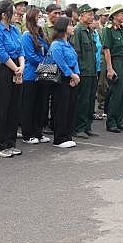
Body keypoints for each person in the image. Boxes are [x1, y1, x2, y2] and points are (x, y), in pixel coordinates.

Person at [0, 0, 24, 158]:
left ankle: (11, 142)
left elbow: (21, 49)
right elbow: (0, 53)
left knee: (14, 107)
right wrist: (15, 68)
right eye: (13, 12)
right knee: (2, 107)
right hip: (3, 69)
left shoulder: (15, 30)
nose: (17, 15)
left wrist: (21, 66)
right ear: (4, 15)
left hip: (17, 67)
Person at [20, 7, 50, 144]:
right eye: (39, 17)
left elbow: (47, 52)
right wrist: (45, 63)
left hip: (42, 75)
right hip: (31, 75)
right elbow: (30, 56)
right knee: (29, 106)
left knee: (41, 105)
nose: (42, 19)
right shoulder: (27, 36)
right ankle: (28, 133)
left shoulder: (41, 36)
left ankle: (38, 131)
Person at [48, 17, 79, 148]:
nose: (73, 27)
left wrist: (76, 74)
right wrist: (71, 74)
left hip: (71, 78)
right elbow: (60, 62)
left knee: (70, 107)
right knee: (60, 107)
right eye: (70, 25)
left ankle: (67, 134)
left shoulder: (69, 44)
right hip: (61, 79)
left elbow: (75, 60)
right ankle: (59, 138)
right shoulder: (56, 44)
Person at [101, 4, 123, 133]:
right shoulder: (108, 29)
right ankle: (112, 121)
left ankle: (120, 119)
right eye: (121, 14)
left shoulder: (122, 30)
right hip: (116, 62)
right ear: (114, 16)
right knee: (116, 93)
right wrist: (110, 68)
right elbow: (106, 50)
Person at [71, 5, 100, 137]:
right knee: (82, 101)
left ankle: (87, 126)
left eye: (92, 14)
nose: (91, 17)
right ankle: (79, 128)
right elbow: (76, 53)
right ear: (81, 15)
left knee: (90, 101)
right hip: (83, 71)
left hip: (92, 71)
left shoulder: (90, 31)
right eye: (88, 14)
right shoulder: (78, 31)